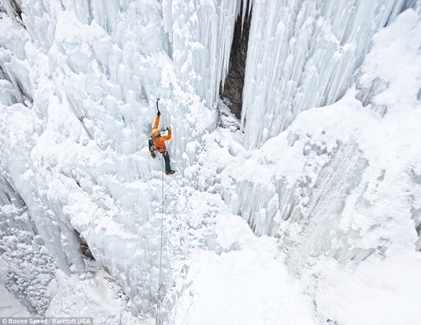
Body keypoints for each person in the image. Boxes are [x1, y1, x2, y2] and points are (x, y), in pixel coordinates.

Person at [149, 111, 175, 175]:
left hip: (155, 146)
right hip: (161, 148)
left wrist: (158, 116)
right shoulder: (161, 139)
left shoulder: (153, 135)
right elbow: (168, 137)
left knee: (149, 141)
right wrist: (169, 130)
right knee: (166, 158)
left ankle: (152, 152)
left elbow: (156, 124)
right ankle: (168, 171)